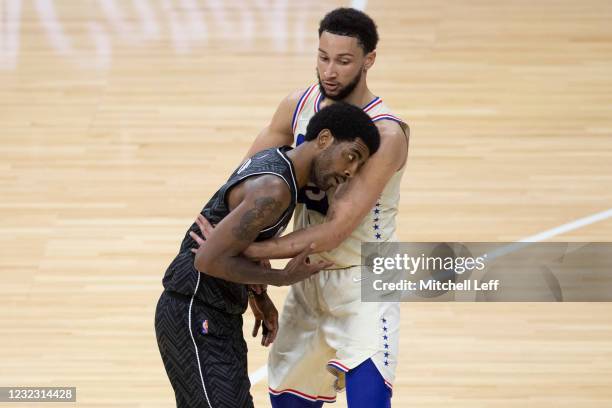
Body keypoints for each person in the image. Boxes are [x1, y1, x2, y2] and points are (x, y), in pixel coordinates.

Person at [193, 7, 409, 407]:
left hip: (363, 282)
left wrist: (241, 252)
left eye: (344, 61)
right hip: (304, 277)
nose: (330, 71)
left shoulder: (385, 133)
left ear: (369, 61)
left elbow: (335, 230)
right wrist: (255, 282)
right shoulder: (297, 105)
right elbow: (240, 188)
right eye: (323, 57)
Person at [154, 102, 380, 408]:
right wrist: (280, 277)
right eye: (351, 156)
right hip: (194, 310)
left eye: (358, 166)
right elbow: (207, 259)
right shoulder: (274, 189)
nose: (349, 171)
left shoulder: (279, 162)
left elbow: (235, 245)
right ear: (324, 139)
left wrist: (257, 295)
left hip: (217, 311)